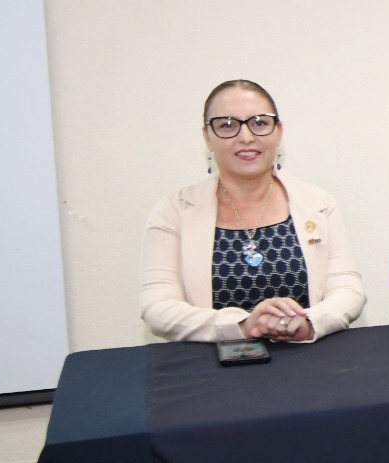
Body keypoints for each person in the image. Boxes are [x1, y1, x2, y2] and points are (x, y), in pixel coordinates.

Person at [141, 80, 366, 342]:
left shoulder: (319, 203)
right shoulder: (173, 211)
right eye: (227, 125)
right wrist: (243, 325)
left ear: (279, 131)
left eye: (259, 123)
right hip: (212, 360)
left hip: (306, 356)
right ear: (207, 136)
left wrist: (309, 322)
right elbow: (157, 307)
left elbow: (348, 290)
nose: (246, 137)